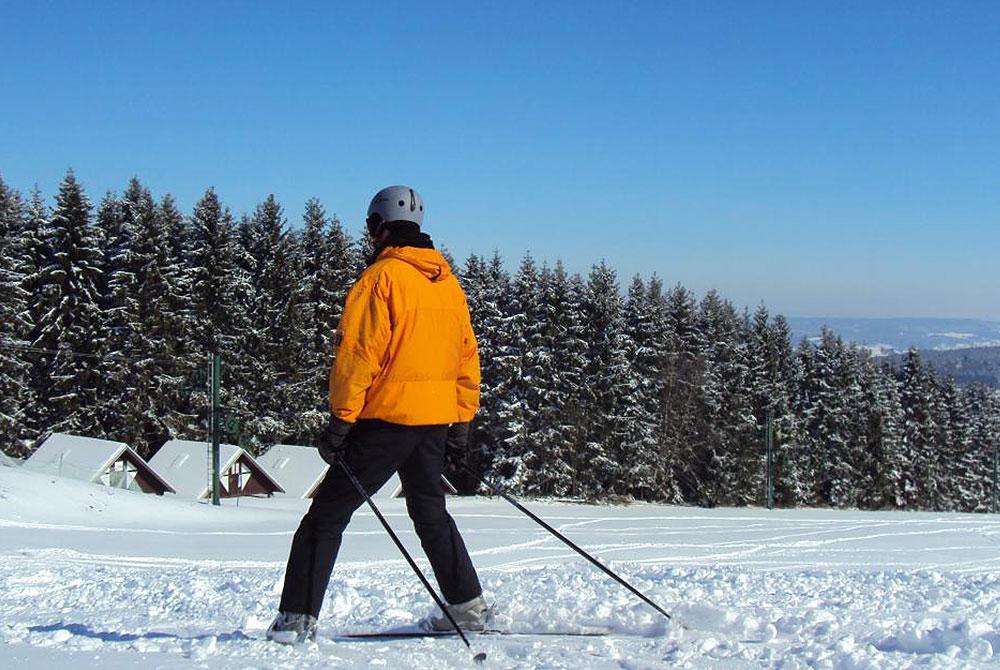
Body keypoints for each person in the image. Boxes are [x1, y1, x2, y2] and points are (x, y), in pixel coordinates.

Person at [267, 185, 491, 645]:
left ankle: (295, 621)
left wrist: (340, 422)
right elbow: (467, 356)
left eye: (370, 227)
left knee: (325, 517)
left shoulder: (380, 280)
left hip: (385, 421)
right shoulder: (447, 283)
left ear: (380, 227)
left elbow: (357, 357)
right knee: (430, 514)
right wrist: (462, 421)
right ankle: (468, 608)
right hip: (433, 423)